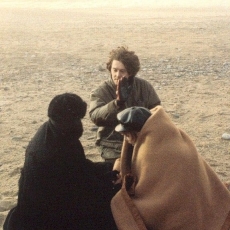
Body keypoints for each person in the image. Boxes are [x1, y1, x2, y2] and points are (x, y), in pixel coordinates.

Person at [3, 93, 117, 230]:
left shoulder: (53, 131)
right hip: (48, 216)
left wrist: (106, 168)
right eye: (76, 119)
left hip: (52, 202)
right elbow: (79, 189)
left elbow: (79, 167)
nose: (79, 123)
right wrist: (109, 181)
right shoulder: (52, 151)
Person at [111, 106, 230, 230]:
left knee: (120, 205)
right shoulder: (169, 134)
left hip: (183, 212)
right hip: (203, 202)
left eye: (128, 135)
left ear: (138, 132)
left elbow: (148, 193)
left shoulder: (151, 150)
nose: (127, 141)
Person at [89, 46, 161, 163]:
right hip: (112, 144)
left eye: (122, 71)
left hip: (142, 139)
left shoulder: (144, 87)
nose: (117, 74)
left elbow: (157, 112)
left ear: (131, 72)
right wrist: (117, 103)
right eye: (114, 70)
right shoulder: (101, 91)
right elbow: (95, 116)